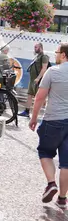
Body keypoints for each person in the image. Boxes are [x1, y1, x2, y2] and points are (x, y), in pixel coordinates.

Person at [29, 43, 68, 209]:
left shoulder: (53, 71)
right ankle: (62, 199)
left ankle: (51, 183)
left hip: (53, 120)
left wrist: (34, 118)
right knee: (66, 163)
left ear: (64, 55)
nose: (55, 55)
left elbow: (39, 97)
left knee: (45, 151)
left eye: (57, 52)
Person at [21, 43, 50, 118]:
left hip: (38, 81)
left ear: (41, 47)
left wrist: (38, 78)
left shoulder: (44, 56)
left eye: (36, 47)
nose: (35, 48)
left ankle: (48, 113)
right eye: (34, 47)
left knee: (41, 98)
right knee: (30, 95)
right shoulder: (37, 56)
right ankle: (26, 111)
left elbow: (44, 68)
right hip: (33, 80)